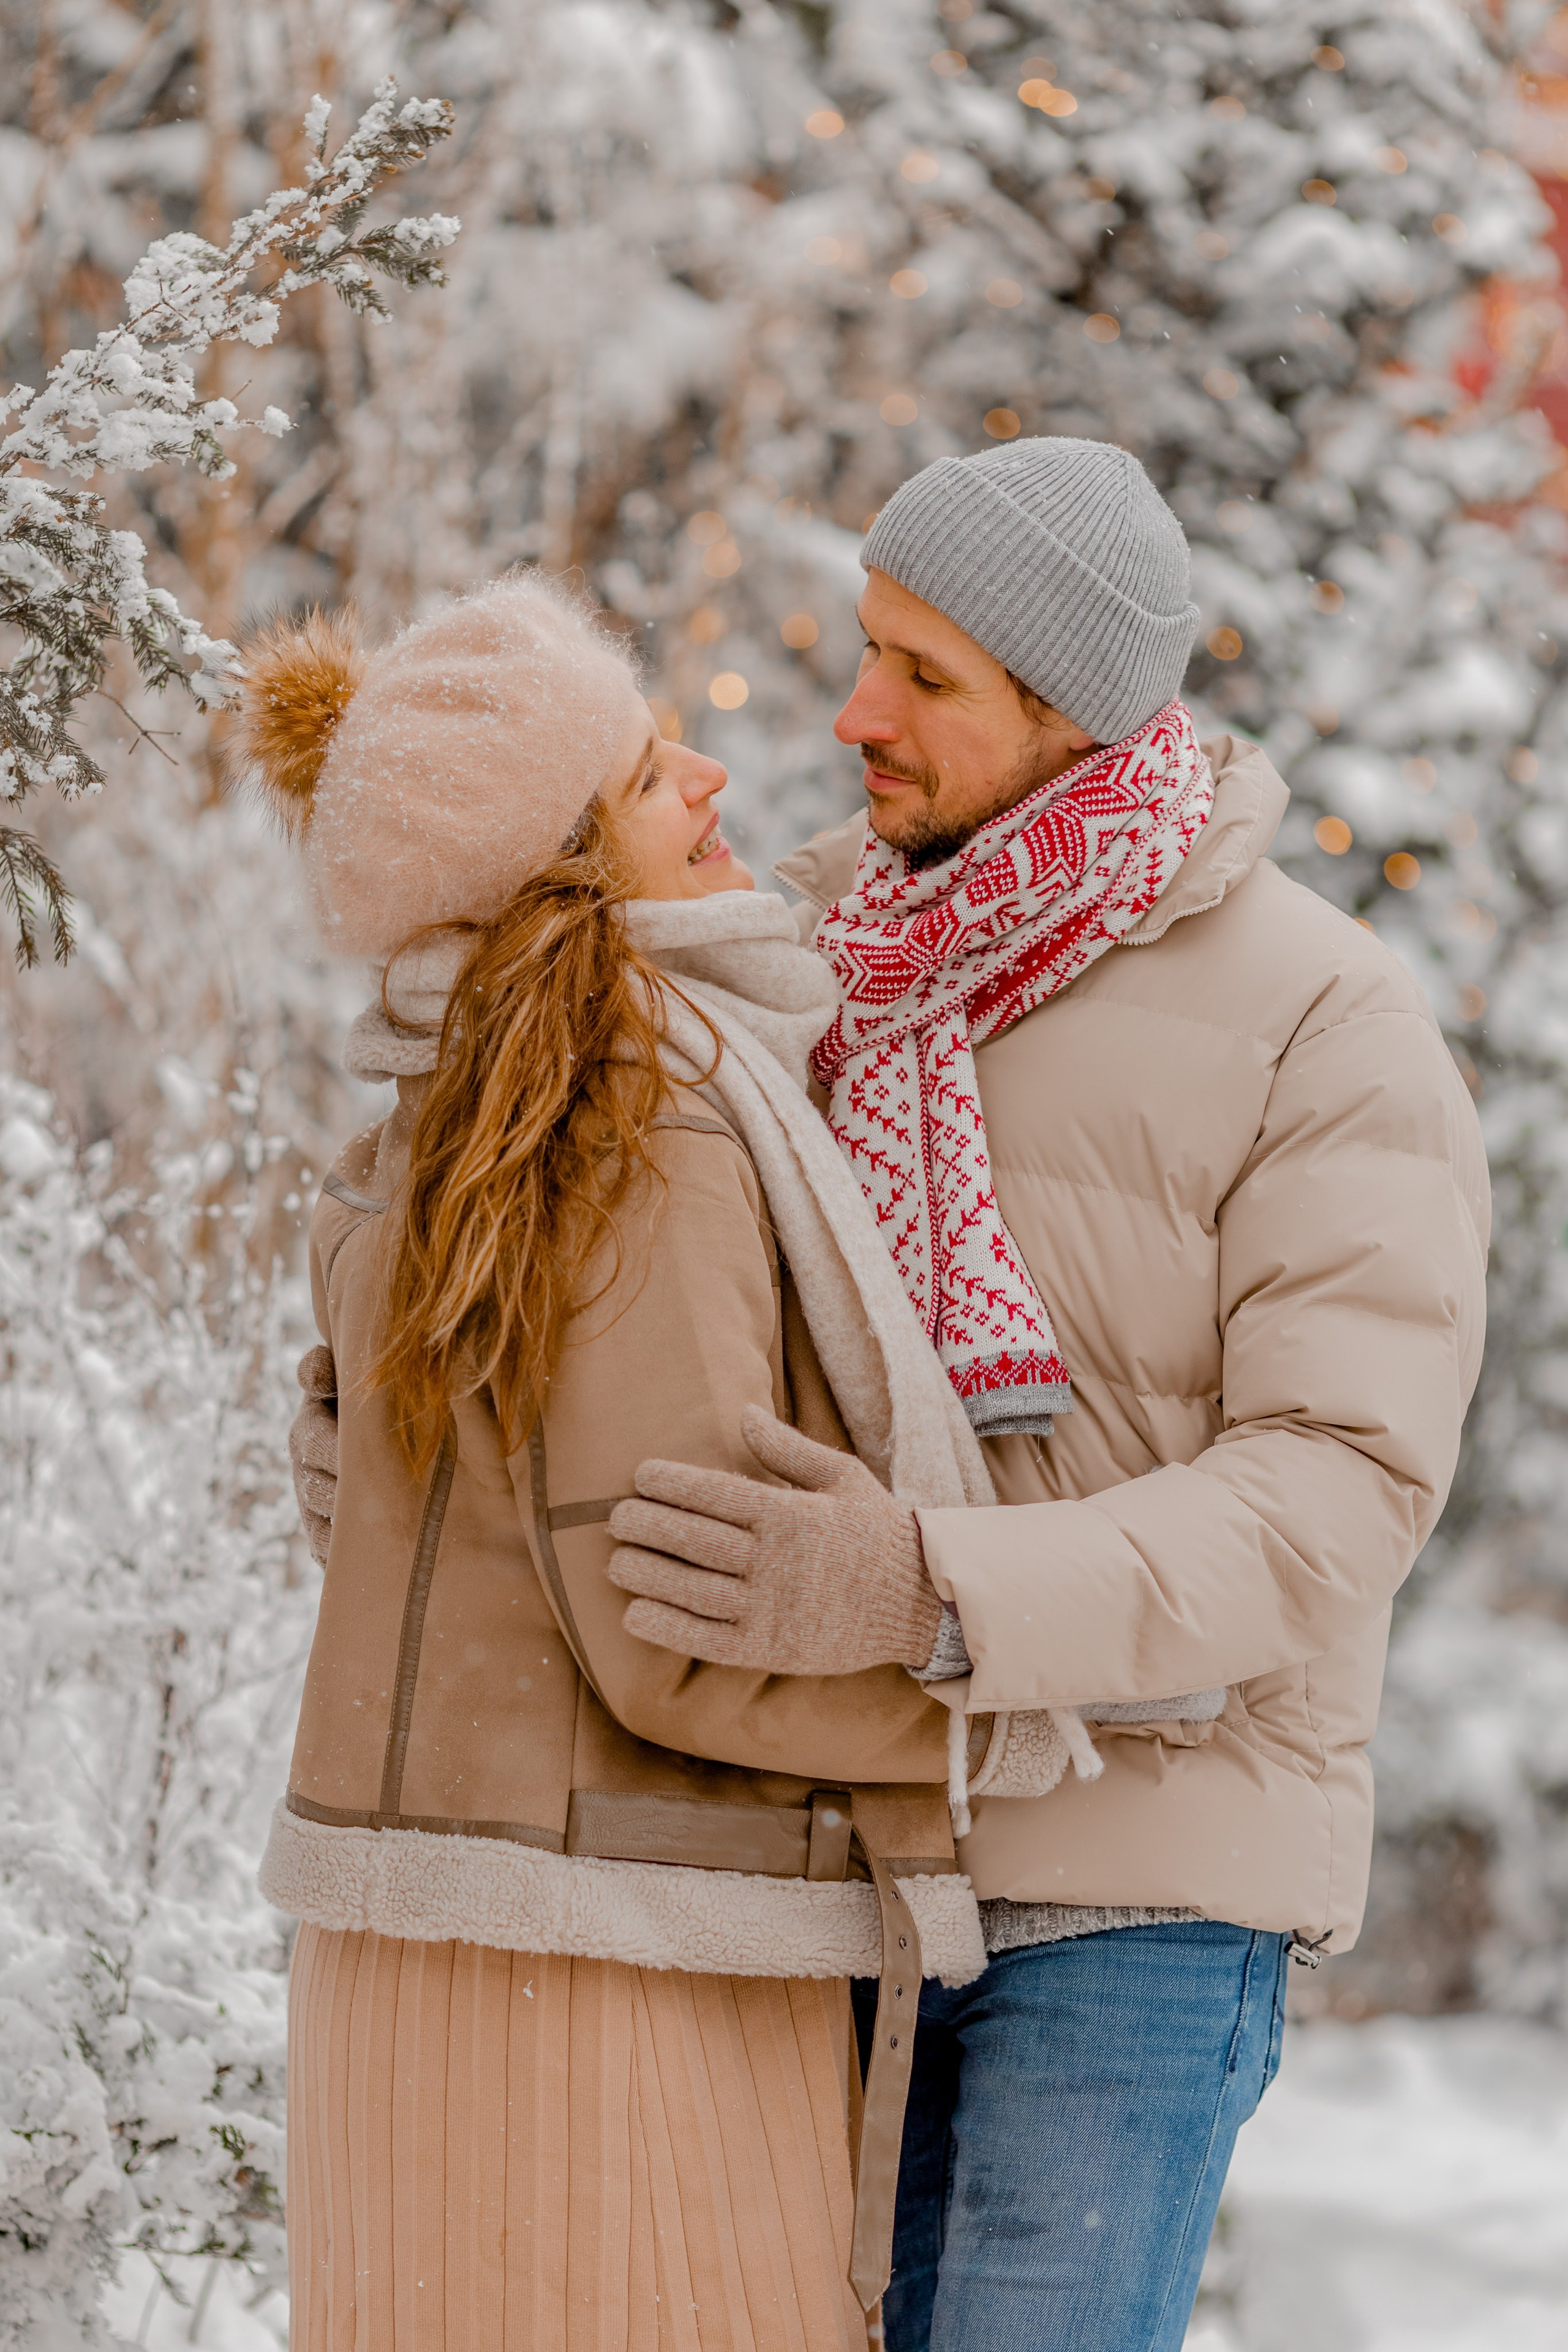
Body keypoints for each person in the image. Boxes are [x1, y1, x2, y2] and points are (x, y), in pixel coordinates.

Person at [606, 438, 1491, 2351]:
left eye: (927, 678)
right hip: (829, 1861)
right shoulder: (817, 971)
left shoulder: (1325, 1023)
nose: (855, 715)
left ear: (1075, 707)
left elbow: (1339, 1491)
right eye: (867, 651)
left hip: (1139, 1892)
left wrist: (932, 1586)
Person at [243, 572, 1013, 2352]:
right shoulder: (644, 1108)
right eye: (653, 769)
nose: (715, 779)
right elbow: (672, 1599)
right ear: (563, 860)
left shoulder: (420, 1124)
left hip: (414, 1953)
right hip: (617, 1971)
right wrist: (997, 1700)